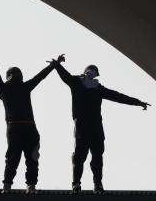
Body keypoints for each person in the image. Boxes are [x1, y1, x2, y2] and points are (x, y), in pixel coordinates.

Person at [49, 55, 150, 193]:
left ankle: (96, 185)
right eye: (90, 72)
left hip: (94, 129)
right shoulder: (78, 83)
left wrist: (137, 102)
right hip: (85, 129)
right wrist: (57, 65)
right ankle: (78, 184)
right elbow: (65, 76)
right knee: (80, 157)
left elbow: (118, 96)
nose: (91, 75)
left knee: (95, 158)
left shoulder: (97, 88)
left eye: (93, 73)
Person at [0, 50, 56, 193]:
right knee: (32, 159)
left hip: (14, 128)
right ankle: (30, 186)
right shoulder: (24, 87)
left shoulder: (4, 89)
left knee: (13, 158)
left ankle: (7, 186)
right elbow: (39, 77)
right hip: (29, 127)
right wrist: (53, 66)